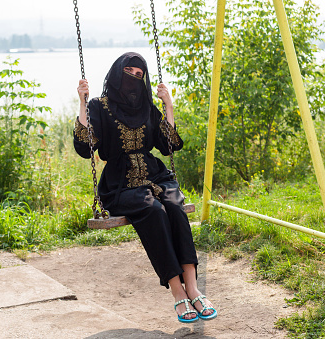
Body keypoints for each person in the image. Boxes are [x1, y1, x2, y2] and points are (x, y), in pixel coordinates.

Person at [73, 52, 217, 323]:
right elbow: (85, 146)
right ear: (117, 74)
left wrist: (168, 105)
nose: (134, 79)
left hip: (155, 175)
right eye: (129, 72)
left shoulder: (149, 108)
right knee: (154, 212)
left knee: (175, 206)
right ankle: (178, 292)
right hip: (120, 184)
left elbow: (168, 145)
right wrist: (81, 102)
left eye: (140, 75)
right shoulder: (99, 106)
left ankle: (193, 287)